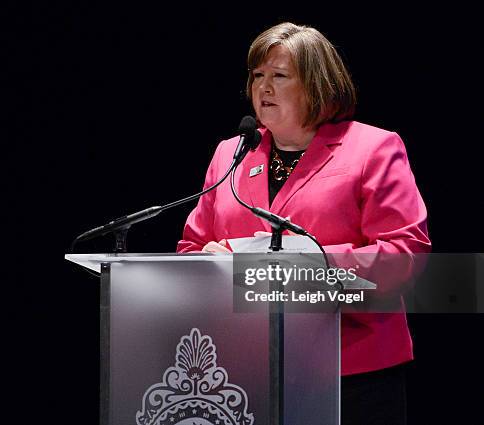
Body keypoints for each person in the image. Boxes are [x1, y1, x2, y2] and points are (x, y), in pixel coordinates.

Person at [177, 22, 431, 425]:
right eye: (257, 75)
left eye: (279, 76)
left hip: (351, 368)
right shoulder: (232, 154)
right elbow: (192, 248)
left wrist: (308, 261)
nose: (264, 87)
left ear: (318, 85)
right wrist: (212, 265)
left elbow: (405, 254)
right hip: (246, 369)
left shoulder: (372, 148)